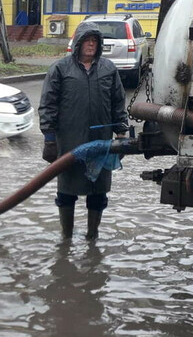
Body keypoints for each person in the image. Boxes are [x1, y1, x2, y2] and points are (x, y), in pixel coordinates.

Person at [38, 22, 129, 241]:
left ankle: (92, 237)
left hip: (100, 143)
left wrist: (121, 133)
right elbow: (48, 105)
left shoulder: (108, 69)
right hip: (69, 143)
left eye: (95, 41)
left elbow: (118, 103)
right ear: (78, 43)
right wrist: (50, 139)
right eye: (87, 40)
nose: (91, 44)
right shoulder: (60, 69)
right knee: (66, 192)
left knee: (98, 193)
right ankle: (66, 237)